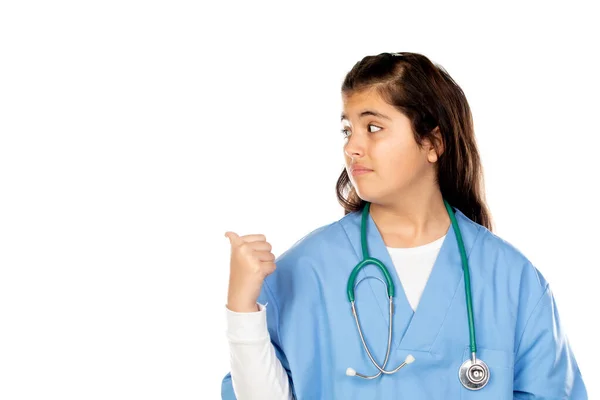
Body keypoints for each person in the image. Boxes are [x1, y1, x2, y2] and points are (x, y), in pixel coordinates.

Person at [220, 51, 588, 399]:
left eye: (374, 127)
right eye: (348, 130)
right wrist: (240, 309)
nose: (353, 147)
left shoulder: (511, 279)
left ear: (432, 142)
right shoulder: (304, 271)